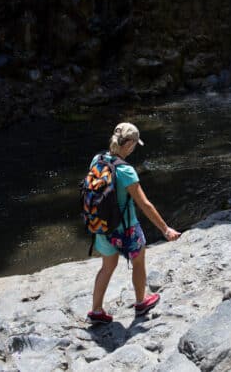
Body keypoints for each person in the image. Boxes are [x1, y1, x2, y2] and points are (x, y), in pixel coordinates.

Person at [87, 122, 181, 324]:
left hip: (102, 226)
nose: (134, 148)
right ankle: (141, 302)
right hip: (126, 229)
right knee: (138, 262)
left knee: (107, 266)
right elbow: (145, 204)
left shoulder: (98, 159)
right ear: (128, 143)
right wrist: (165, 229)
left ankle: (96, 310)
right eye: (134, 144)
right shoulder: (126, 171)